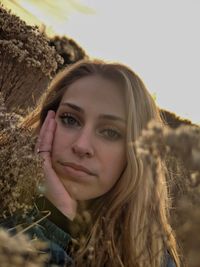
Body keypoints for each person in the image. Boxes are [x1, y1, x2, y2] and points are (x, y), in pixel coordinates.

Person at [2, 59, 180, 267]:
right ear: (47, 123)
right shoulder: (6, 201)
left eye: (110, 132)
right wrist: (52, 218)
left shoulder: (153, 259)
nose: (82, 146)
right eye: (70, 119)